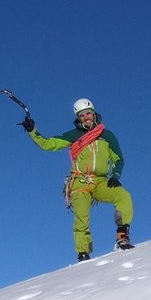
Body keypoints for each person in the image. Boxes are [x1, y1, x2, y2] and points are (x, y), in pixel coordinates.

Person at [22, 98, 134, 261]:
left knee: (123, 196)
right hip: (79, 182)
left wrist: (115, 176)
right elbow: (48, 144)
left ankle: (122, 237)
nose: (85, 117)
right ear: (78, 118)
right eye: (81, 115)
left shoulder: (107, 135)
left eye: (88, 113)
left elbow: (118, 159)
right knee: (81, 217)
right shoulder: (74, 135)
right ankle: (83, 253)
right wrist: (32, 131)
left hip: (101, 181)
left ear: (93, 114)